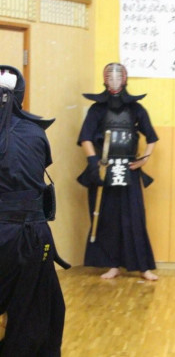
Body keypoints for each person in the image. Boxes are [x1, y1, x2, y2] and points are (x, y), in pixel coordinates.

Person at [0, 65, 68, 356]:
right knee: (38, 308)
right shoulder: (34, 133)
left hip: (5, 233)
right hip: (33, 236)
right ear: (22, 97)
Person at [77, 62, 159, 281]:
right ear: (104, 80)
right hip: (104, 170)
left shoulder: (136, 109)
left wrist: (144, 160)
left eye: (118, 77)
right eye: (110, 77)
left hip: (129, 169)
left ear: (125, 80)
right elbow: (85, 137)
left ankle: (143, 267)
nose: (114, 82)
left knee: (134, 217)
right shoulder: (97, 109)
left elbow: (151, 137)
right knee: (107, 218)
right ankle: (112, 264)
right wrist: (94, 161)